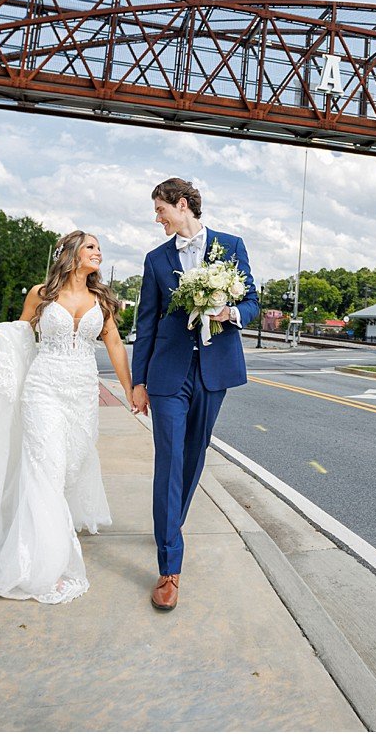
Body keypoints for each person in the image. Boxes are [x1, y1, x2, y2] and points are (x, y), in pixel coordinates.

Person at [0, 230, 138, 604]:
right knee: (44, 470)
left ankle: (39, 536)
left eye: (99, 248)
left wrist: (129, 390)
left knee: (68, 470)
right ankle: (41, 563)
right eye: (92, 247)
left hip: (82, 393)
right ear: (71, 253)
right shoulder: (41, 293)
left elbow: (113, 343)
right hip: (43, 389)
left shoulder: (102, 299)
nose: (98, 252)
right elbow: (20, 332)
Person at [131, 177, 258, 612]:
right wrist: (138, 381)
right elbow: (146, 322)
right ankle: (169, 567)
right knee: (169, 460)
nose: (158, 218)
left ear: (181, 205)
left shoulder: (230, 245)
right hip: (168, 373)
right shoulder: (155, 260)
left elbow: (254, 300)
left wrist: (232, 311)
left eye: (160, 209)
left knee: (193, 456)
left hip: (214, 370)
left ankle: (170, 523)